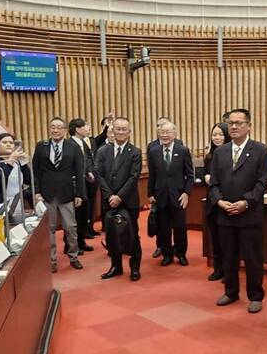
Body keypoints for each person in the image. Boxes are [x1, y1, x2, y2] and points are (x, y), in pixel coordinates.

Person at [208, 109, 267, 312]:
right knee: (229, 256)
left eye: (238, 123)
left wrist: (246, 202)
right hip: (225, 213)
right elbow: (214, 183)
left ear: (249, 126)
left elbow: (262, 183)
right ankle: (231, 291)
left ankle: (256, 295)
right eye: (230, 123)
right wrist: (219, 202)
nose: (233, 126)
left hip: (249, 214)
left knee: (253, 258)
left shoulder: (261, 150)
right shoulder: (220, 152)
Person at [31, 117, 85, 273]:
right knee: (49, 228)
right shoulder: (41, 146)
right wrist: (37, 191)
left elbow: (79, 171)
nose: (55, 130)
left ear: (65, 130)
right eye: (52, 127)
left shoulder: (73, 146)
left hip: (67, 193)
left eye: (59, 127)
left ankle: (73, 256)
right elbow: (35, 171)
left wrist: (79, 194)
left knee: (71, 227)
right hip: (46, 194)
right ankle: (52, 260)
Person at [96, 117, 142, 281]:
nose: (121, 132)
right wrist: (110, 196)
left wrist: (119, 197)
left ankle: (134, 268)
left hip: (128, 201)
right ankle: (116, 266)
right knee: (112, 236)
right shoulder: (102, 151)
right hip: (109, 201)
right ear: (112, 131)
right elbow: (99, 175)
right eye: (118, 129)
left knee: (132, 234)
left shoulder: (135, 152)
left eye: (124, 129)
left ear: (129, 132)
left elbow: (134, 177)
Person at [147, 120, 193, 266]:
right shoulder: (154, 152)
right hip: (160, 196)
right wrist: (150, 194)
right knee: (163, 229)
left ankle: (181, 254)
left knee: (180, 228)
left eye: (168, 132)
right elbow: (152, 175)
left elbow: (190, 175)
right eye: (162, 132)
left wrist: (186, 193)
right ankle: (167, 255)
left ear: (174, 134)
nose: (165, 135)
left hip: (178, 196)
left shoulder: (183, 150)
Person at [203, 123, 227, 281]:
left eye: (220, 135)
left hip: (226, 200)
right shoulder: (209, 156)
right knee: (215, 237)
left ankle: (228, 270)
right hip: (212, 201)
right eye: (214, 135)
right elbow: (207, 175)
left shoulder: (230, 154)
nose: (217, 138)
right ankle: (218, 268)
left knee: (227, 240)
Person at [0, 133, 31, 207]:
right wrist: (10, 161)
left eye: (11, 143)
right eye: (4, 142)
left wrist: (24, 163)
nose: (8, 145)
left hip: (17, 203)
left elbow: (29, 180)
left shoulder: (17, 162)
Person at [68, 118, 95, 252]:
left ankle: (80, 241)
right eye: (85, 126)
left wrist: (88, 171)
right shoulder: (69, 144)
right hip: (73, 184)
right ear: (77, 129)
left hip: (84, 182)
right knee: (74, 216)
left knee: (83, 214)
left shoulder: (83, 142)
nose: (87, 129)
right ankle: (71, 245)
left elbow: (86, 160)